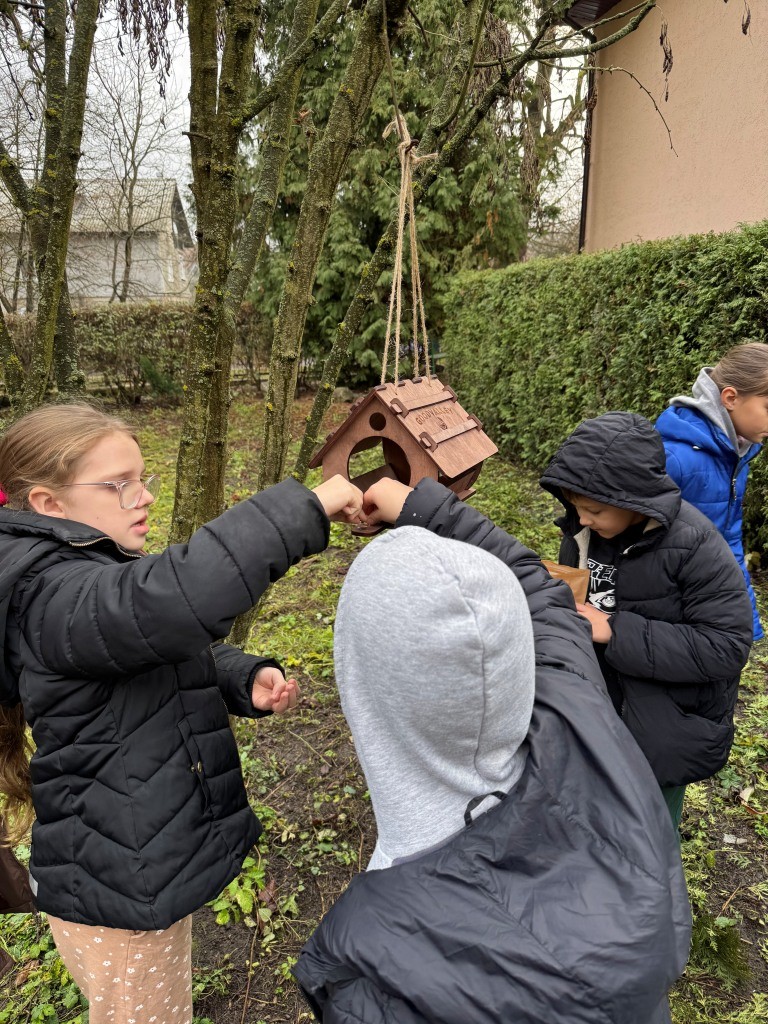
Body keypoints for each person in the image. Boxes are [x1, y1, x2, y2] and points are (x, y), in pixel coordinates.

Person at [0, 402, 364, 1024]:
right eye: (119, 485)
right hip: (120, 894)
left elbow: (145, 647)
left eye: (142, 478)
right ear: (47, 503)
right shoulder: (49, 593)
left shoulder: (84, 569)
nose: (142, 497)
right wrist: (311, 504)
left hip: (133, 868)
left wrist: (239, 676)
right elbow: (167, 602)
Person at [294, 479, 692, 1024]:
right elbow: (547, 596)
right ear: (516, 648)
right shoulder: (583, 719)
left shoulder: (378, 973)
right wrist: (423, 509)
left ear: (359, 681)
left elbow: (542, 599)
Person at [537, 412, 753, 828]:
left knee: (650, 833)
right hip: (600, 711)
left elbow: (726, 646)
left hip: (663, 727)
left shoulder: (695, 545)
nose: (582, 520)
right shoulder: (584, 532)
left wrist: (613, 631)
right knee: (597, 822)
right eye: (576, 507)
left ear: (632, 499)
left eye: (594, 510)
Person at [655, 343, 768, 641]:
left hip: (708, 604)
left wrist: (747, 621)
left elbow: (727, 539)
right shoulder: (675, 458)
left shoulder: (735, 454)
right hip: (673, 618)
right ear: (730, 398)